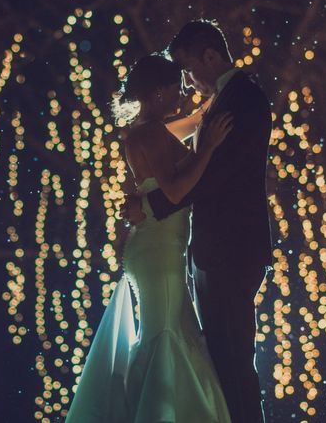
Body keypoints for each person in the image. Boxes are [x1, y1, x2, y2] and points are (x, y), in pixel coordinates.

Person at [65, 52, 233, 423]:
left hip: (157, 248)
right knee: (167, 340)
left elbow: (190, 124)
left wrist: (213, 99)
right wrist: (208, 149)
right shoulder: (151, 132)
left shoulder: (147, 130)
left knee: (169, 337)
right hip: (159, 252)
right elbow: (173, 191)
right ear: (159, 92)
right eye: (177, 88)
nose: (182, 94)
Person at [123, 20, 274, 423]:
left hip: (229, 247)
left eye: (188, 69)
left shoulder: (241, 99)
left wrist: (149, 203)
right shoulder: (225, 98)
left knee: (231, 357)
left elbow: (213, 175)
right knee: (221, 355)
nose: (186, 83)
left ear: (210, 57)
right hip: (206, 248)